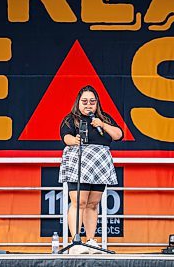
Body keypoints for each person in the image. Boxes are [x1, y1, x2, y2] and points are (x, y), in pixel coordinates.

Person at [59, 85, 123, 254]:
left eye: (92, 102)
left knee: (93, 203)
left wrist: (102, 124)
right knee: (79, 201)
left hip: (99, 162)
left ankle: (91, 240)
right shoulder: (71, 118)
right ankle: (76, 241)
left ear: (97, 104)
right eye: (85, 101)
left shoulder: (103, 118)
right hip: (79, 160)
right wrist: (75, 140)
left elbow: (118, 135)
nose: (88, 105)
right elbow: (65, 137)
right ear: (78, 102)